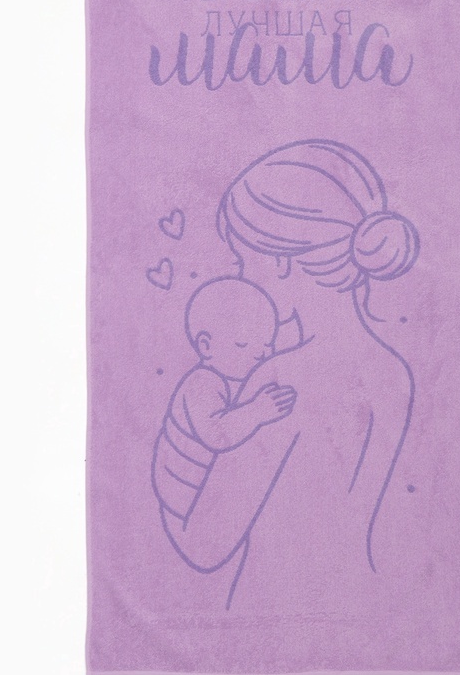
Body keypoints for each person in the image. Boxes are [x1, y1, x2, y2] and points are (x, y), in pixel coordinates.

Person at [152, 139, 420, 614]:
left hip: (271, 608)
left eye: (243, 262)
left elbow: (203, 545)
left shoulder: (280, 380)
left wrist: (178, 463)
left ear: (279, 261)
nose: (241, 279)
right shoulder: (393, 372)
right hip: (362, 599)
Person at [152, 277, 297, 523]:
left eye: (267, 345)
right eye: (243, 344)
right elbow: (215, 434)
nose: (259, 354)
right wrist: (257, 412)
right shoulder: (202, 382)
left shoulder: (231, 378)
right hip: (184, 489)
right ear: (206, 347)